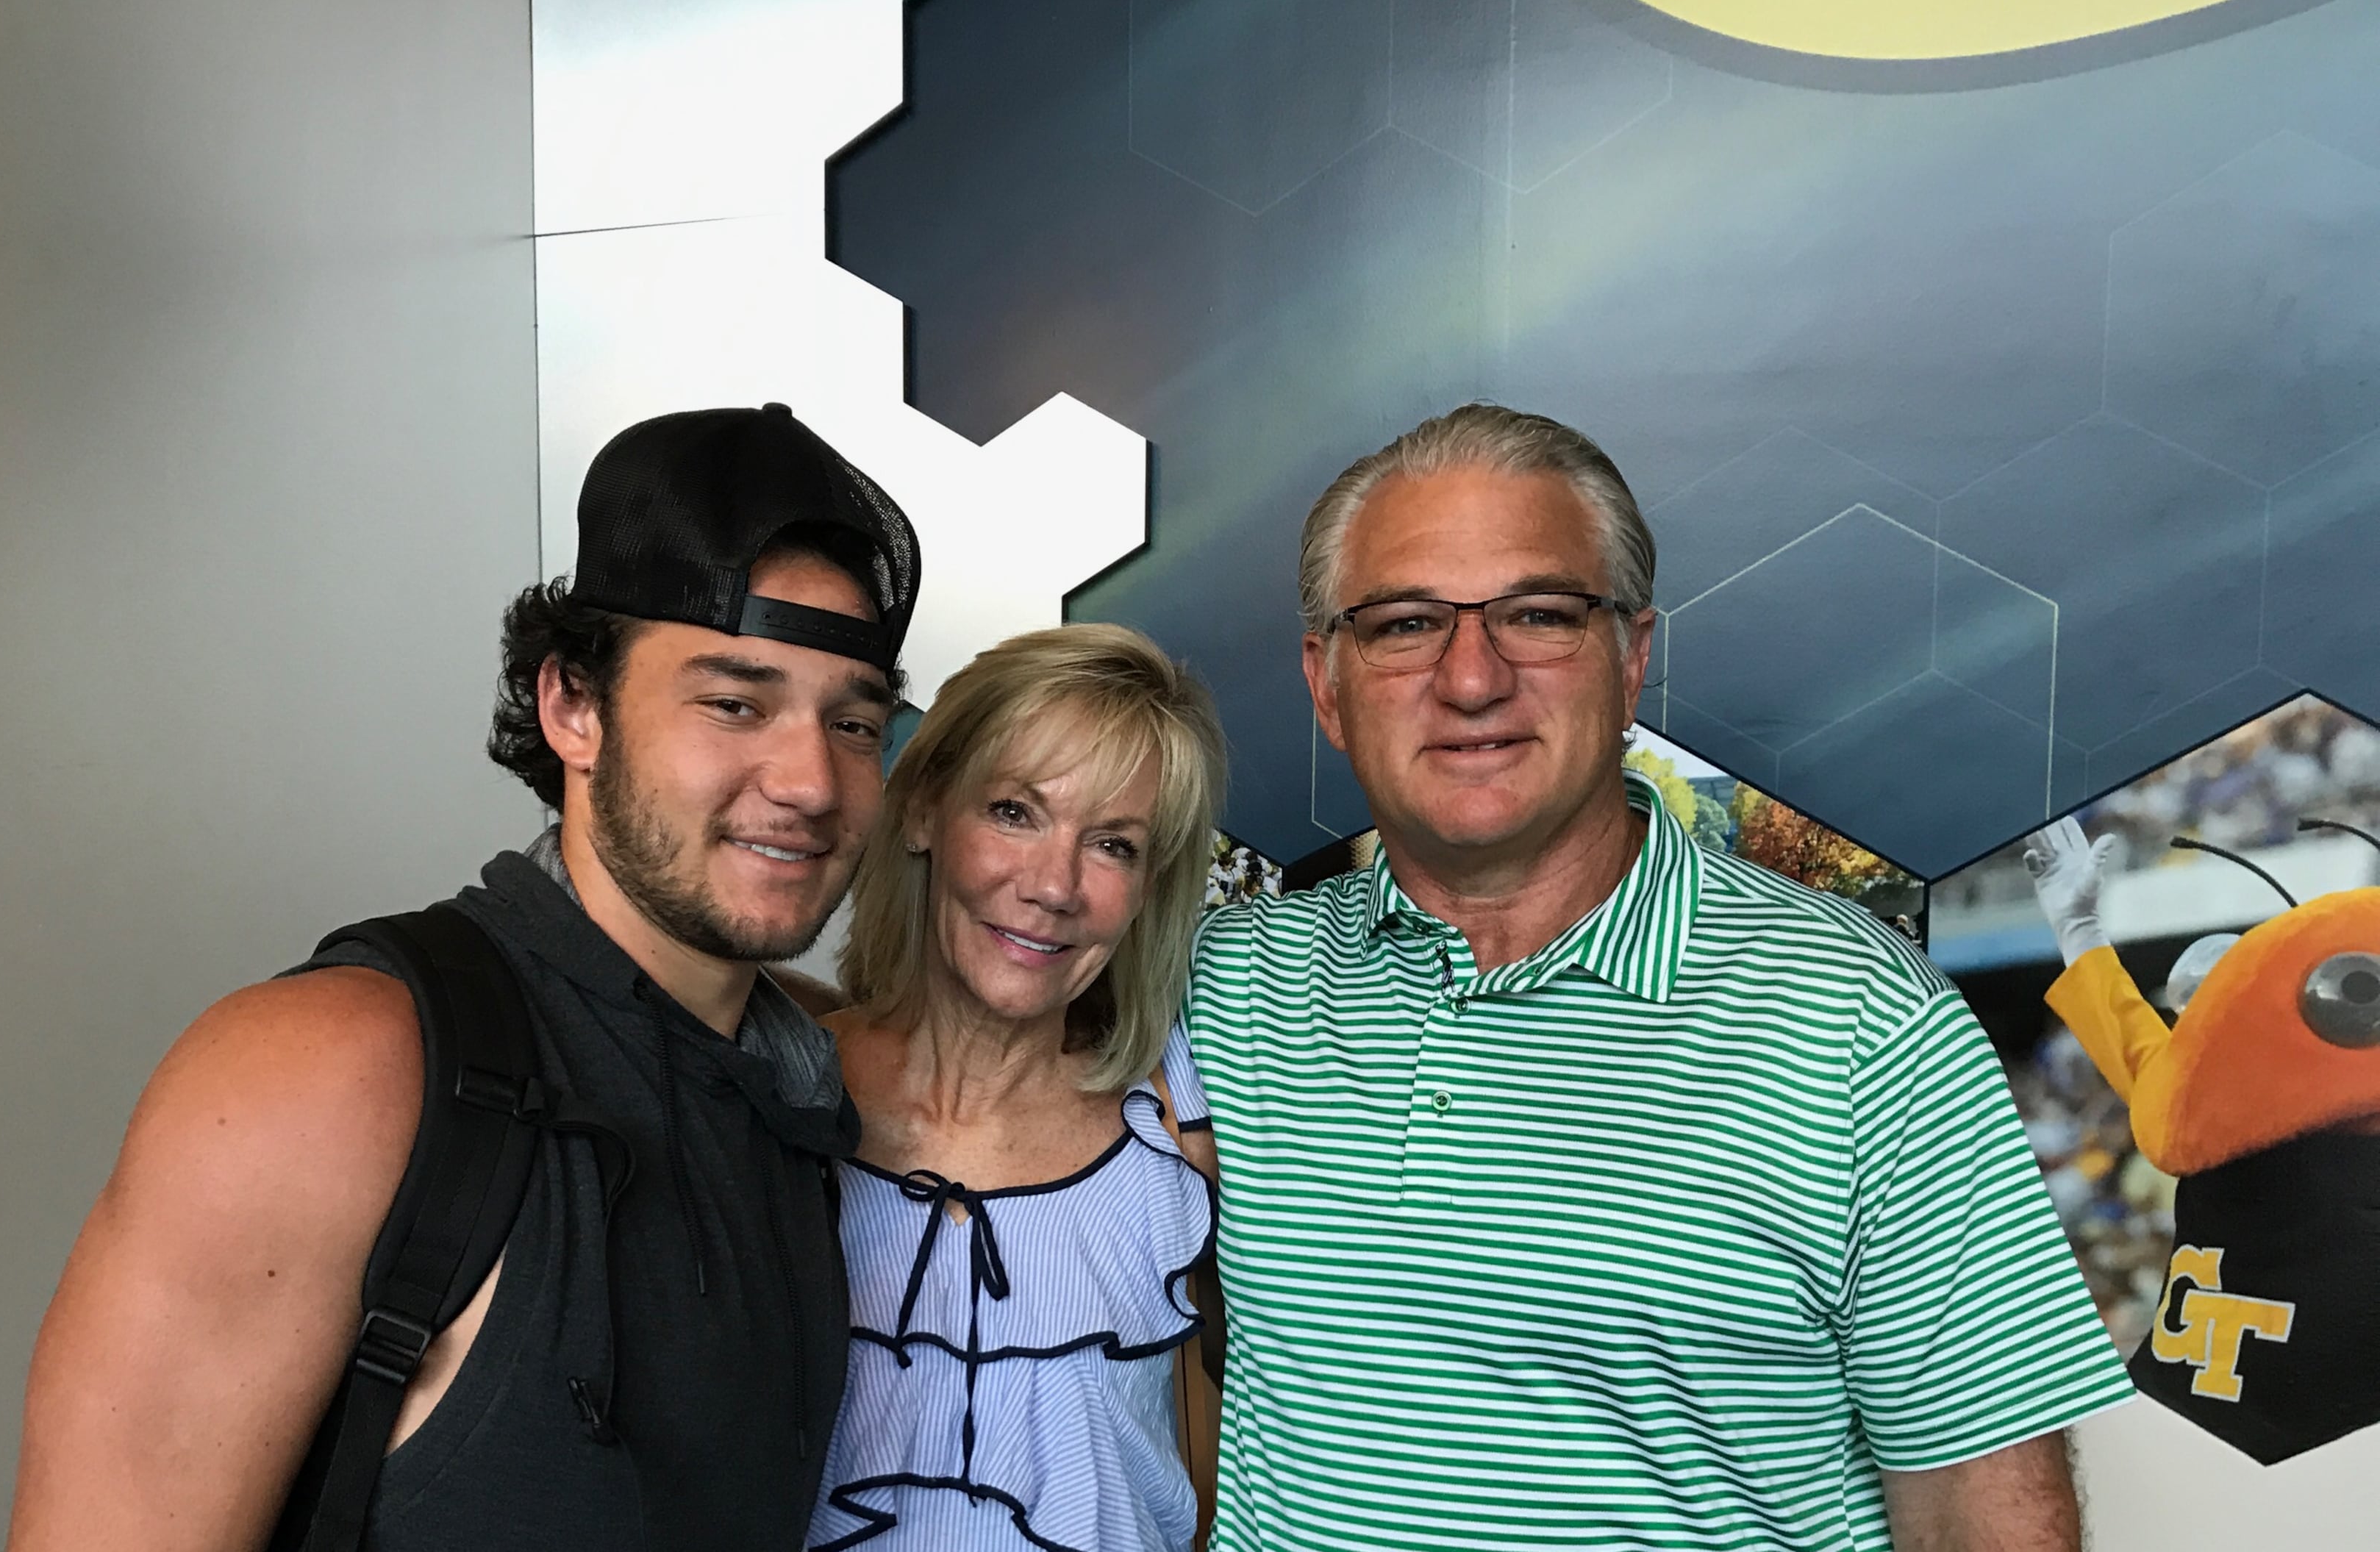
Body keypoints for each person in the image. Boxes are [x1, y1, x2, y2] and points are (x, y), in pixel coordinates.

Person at [1183, 404, 2134, 1551]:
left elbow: (1985, 1520)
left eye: (1538, 614)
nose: (1472, 677)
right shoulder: (1228, 988)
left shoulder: (1860, 1026)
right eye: (1404, 624)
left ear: (1633, 659)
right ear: (1327, 685)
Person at [7, 404, 917, 1552]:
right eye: (735, 702)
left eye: (853, 722)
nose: (811, 781)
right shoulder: (329, 1072)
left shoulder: (816, 1092)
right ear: (571, 706)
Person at [807, 623, 1229, 1552]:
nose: (1055, 886)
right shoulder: (779, 1093)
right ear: (922, 811)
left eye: (1114, 844)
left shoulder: (1184, 1126)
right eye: (1014, 812)